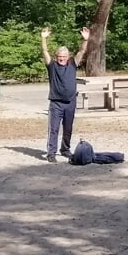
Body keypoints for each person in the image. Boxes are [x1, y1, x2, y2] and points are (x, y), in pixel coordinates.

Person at [40, 25, 88, 163]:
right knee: (53, 129)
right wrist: (43, 39)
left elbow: (82, 51)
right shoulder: (52, 66)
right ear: (56, 57)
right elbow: (44, 51)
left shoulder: (73, 63)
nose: (62, 58)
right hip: (56, 103)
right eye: (59, 56)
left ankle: (65, 149)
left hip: (70, 102)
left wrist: (85, 40)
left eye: (64, 56)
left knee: (68, 128)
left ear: (68, 57)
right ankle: (51, 153)